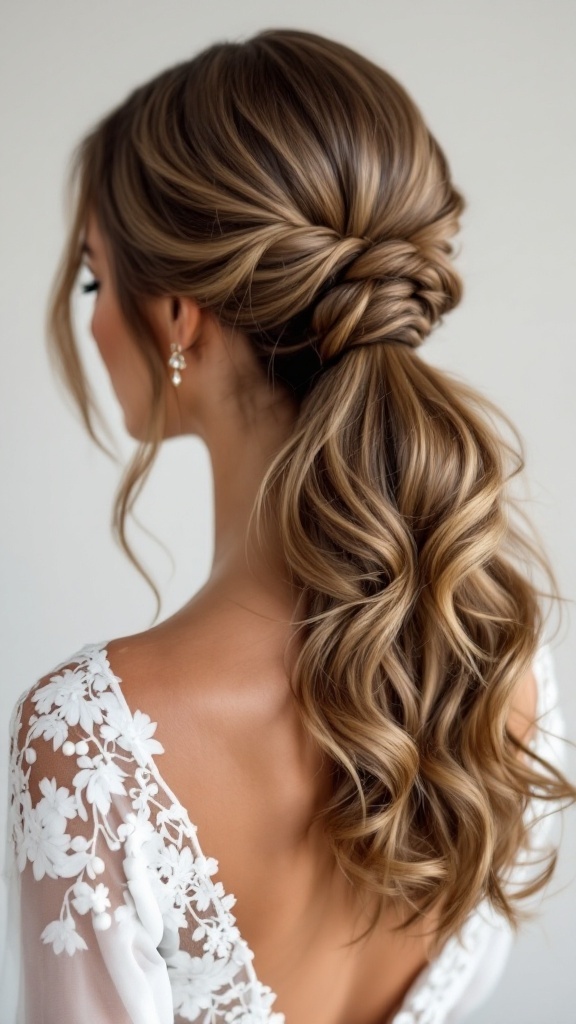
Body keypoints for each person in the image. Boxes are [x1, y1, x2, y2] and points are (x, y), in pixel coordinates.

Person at [2, 28, 575, 1024]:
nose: (92, 321)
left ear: (179, 316)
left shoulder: (85, 743)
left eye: (96, 278)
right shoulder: (507, 676)